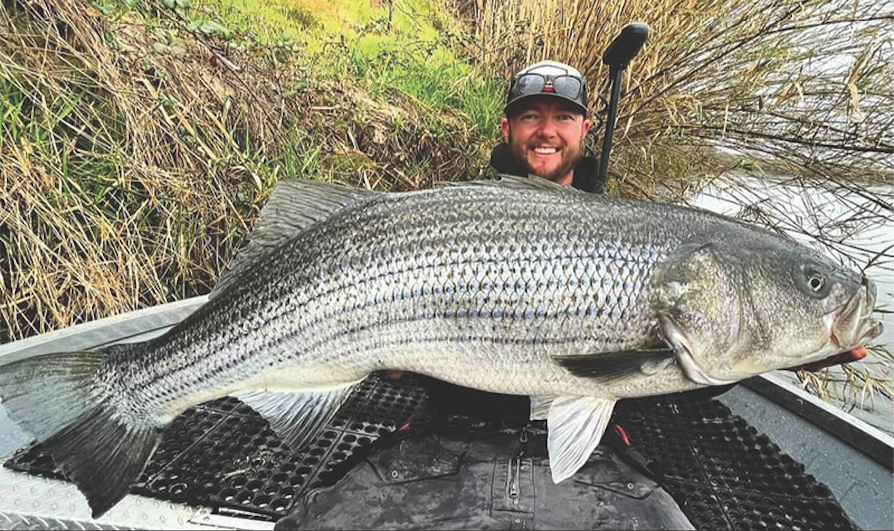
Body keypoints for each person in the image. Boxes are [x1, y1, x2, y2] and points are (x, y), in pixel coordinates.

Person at [488, 60, 605, 193]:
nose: (547, 131)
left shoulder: (611, 211)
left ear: (584, 130)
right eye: (530, 117)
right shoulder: (473, 205)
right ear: (507, 130)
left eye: (564, 118)